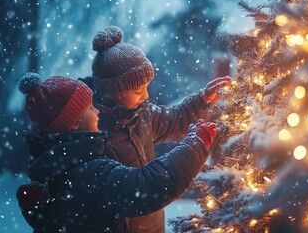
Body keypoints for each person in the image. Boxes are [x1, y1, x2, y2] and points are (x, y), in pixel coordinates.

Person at [16, 72, 217, 233]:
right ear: (74, 122)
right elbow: (146, 186)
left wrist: (201, 102)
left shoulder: (62, 164)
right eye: (90, 107)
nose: (97, 111)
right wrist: (194, 145)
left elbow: (172, 120)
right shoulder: (88, 171)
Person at [81, 25, 231, 233]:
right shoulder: (96, 133)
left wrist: (202, 100)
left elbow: (175, 120)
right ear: (113, 91)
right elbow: (137, 189)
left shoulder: (142, 115)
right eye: (138, 90)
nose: (146, 96)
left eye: (147, 87)